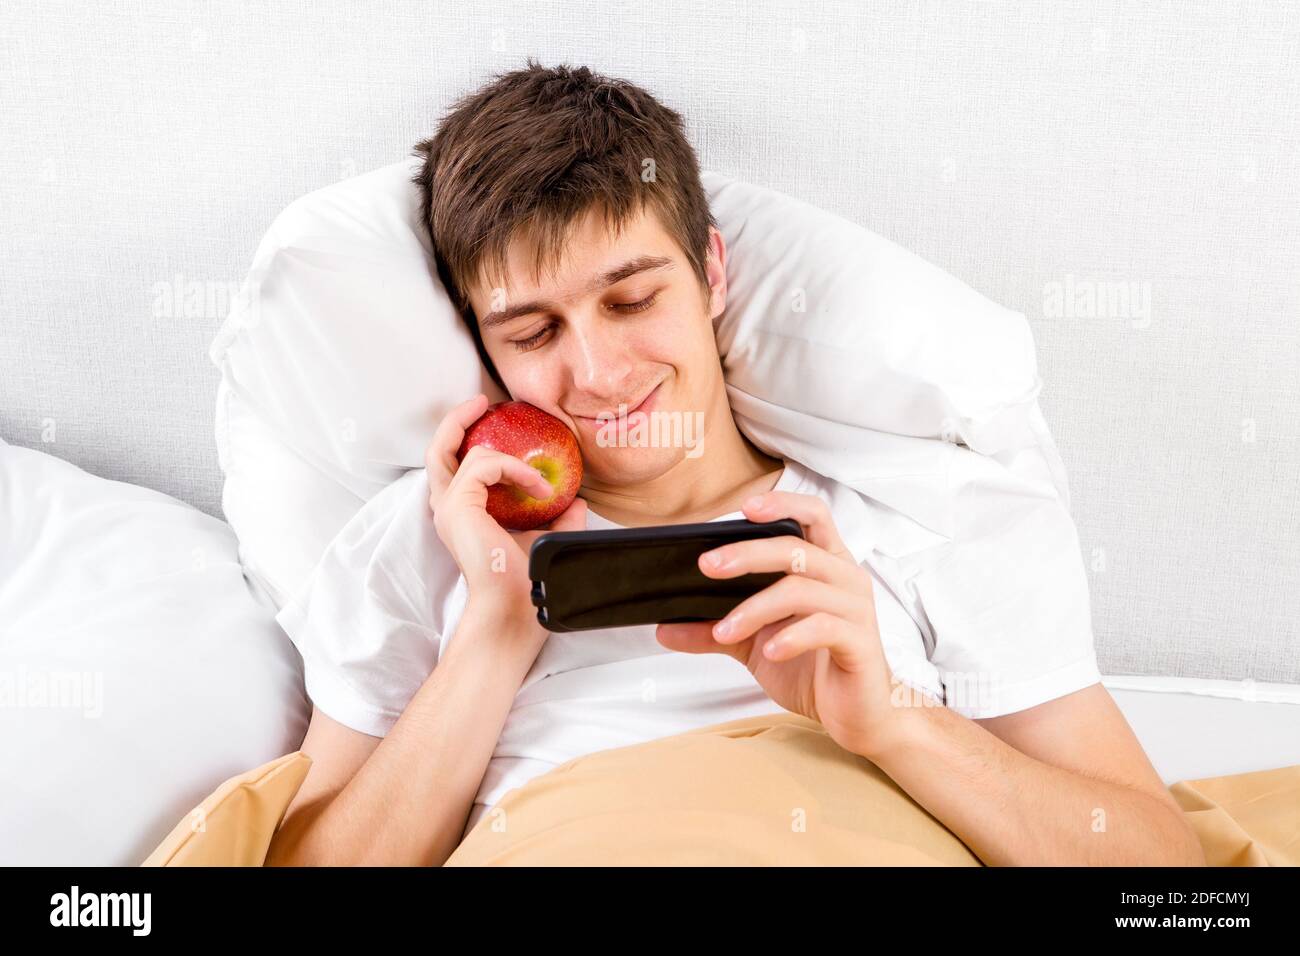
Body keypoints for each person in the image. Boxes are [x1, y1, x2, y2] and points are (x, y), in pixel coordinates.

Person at [265, 60, 1204, 867]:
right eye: (534, 330)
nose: (596, 374)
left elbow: (1169, 888)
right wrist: (498, 628)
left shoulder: (928, 513)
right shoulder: (423, 546)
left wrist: (891, 719)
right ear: (485, 348)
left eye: (631, 300)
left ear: (712, 272)